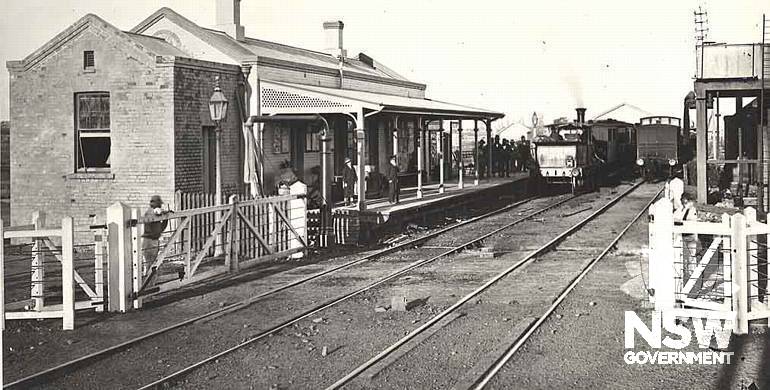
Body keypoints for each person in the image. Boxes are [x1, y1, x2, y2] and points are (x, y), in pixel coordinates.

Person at [142, 195, 176, 279]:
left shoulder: (156, 215)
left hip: (154, 240)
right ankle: (146, 282)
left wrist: (166, 218)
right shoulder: (150, 212)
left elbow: (160, 228)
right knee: (149, 263)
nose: (160, 205)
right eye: (159, 204)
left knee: (153, 263)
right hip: (149, 241)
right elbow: (158, 211)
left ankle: (150, 281)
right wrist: (165, 212)